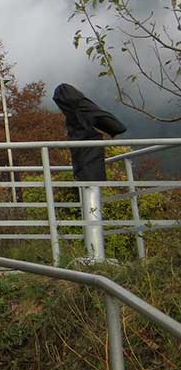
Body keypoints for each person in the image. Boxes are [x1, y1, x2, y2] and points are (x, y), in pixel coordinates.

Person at [52, 83, 127, 261]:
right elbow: (117, 126)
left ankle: (95, 254)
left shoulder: (72, 113)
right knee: (92, 204)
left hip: (81, 160)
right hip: (91, 160)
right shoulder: (84, 107)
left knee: (90, 203)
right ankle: (96, 255)